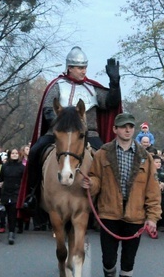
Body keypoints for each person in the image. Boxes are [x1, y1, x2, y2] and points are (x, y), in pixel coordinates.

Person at [19, 47, 122, 212]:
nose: (84, 71)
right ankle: (32, 194)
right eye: (80, 68)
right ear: (70, 68)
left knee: (107, 157)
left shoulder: (92, 88)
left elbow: (111, 103)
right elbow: (48, 109)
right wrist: (61, 126)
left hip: (89, 134)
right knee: (35, 151)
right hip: (58, 133)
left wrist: (114, 83)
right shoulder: (57, 86)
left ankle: (107, 197)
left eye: (85, 67)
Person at [82, 112, 161, 277]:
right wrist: (92, 184)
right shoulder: (103, 154)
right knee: (108, 260)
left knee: (128, 261)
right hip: (109, 214)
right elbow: (96, 178)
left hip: (134, 218)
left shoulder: (145, 156)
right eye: (123, 126)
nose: (127, 130)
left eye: (130, 126)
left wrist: (152, 217)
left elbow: (153, 190)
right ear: (115, 129)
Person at [0, 148, 25, 244]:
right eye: (12, 153)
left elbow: (24, 180)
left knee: (12, 213)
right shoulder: (5, 166)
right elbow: (1, 178)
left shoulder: (22, 167)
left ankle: (11, 232)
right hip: (6, 191)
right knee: (5, 212)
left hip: (16, 192)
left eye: (16, 153)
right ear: (9, 154)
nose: (14, 155)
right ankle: (5, 227)